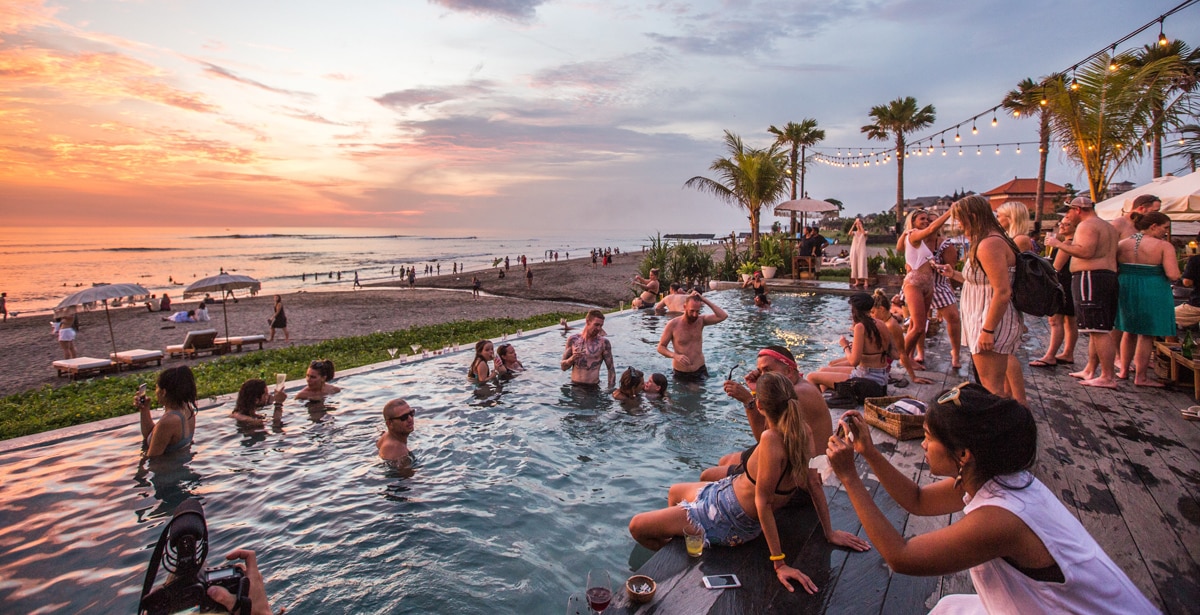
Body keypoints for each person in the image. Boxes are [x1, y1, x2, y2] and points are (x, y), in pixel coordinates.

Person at [826, 383, 1157, 614]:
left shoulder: (1001, 519)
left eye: (927, 437)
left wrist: (849, 478)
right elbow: (918, 500)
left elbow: (902, 558)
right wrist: (868, 452)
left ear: (964, 454)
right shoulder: (998, 475)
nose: (922, 446)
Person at [629, 372, 867, 594]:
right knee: (675, 491)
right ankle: (683, 544)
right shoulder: (802, 430)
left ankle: (687, 548)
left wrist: (780, 563)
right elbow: (814, 484)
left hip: (727, 518)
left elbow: (762, 503)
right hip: (726, 495)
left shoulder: (771, 439)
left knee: (637, 526)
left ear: (761, 405)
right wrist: (829, 532)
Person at [935, 195, 1025, 404]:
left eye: (960, 219)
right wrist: (954, 274)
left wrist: (988, 330)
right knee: (993, 384)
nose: (957, 225)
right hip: (982, 317)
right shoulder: (987, 241)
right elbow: (981, 281)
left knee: (991, 386)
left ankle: (1000, 430)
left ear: (973, 217)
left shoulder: (989, 244)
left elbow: (1002, 291)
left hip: (989, 319)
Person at [1045, 196, 1122, 389]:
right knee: (1095, 328)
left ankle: (1107, 375)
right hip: (1106, 277)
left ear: (1078, 209)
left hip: (1091, 277)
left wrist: (1058, 244)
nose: (1068, 216)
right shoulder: (1108, 227)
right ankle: (1091, 369)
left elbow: (1086, 252)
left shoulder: (1087, 226)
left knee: (1097, 328)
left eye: (1069, 211)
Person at [1115, 212, 1180, 386]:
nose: (1166, 232)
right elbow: (1173, 274)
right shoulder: (1163, 246)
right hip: (1152, 288)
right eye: (1164, 228)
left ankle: (1122, 371)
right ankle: (1141, 376)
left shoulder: (1122, 244)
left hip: (1126, 287)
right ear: (1153, 226)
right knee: (1146, 334)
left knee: (1128, 331)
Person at [897, 208, 953, 367]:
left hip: (928, 284)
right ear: (913, 221)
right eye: (922, 219)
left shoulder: (920, 240)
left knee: (918, 325)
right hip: (915, 283)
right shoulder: (913, 235)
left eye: (927, 219)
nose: (926, 222)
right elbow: (932, 229)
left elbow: (910, 252)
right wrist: (950, 212)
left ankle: (909, 356)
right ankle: (904, 358)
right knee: (919, 326)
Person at [807, 293, 896, 391]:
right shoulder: (880, 323)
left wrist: (845, 346)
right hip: (880, 378)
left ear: (855, 309)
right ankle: (830, 400)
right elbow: (888, 351)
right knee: (822, 371)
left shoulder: (860, 327)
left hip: (868, 381)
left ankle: (820, 405)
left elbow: (854, 361)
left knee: (811, 376)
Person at [1030, 217, 1080, 367]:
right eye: (1061, 223)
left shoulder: (1067, 244)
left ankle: (1050, 355)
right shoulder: (1073, 243)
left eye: (1067, 224)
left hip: (1061, 284)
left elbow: (1056, 267)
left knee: (1055, 320)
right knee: (1069, 321)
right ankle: (1068, 352)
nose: (1062, 226)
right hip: (1070, 283)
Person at [656, 291, 728, 381]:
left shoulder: (701, 320)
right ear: (685, 307)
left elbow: (723, 316)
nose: (695, 315)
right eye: (692, 311)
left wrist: (704, 300)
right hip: (681, 372)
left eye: (697, 311)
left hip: (700, 369)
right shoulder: (673, 324)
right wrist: (674, 355)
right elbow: (660, 347)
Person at [871, 290, 932, 385]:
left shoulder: (891, 326)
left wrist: (913, 377)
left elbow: (902, 353)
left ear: (882, 309)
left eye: (873, 312)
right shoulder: (884, 322)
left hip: (880, 365)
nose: (871, 315)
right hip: (876, 360)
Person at [136, 366, 197, 457]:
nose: (156, 392)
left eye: (156, 388)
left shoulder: (168, 422)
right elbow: (153, 436)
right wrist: (144, 410)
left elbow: (152, 459)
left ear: (163, 392)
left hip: (168, 470)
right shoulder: (188, 410)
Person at [929, 229, 963, 368]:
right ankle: (918, 353)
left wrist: (950, 291)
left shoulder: (945, 246)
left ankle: (955, 352)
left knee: (954, 318)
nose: (928, 224)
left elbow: (951, 271)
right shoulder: (916, 241)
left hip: (939, 284)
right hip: (919, 284)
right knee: (917, 323)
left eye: (931, 221)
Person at [560, 309, 616, 388]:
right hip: (575, 386)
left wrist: (610, 389)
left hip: (593, 388)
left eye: (601, 326)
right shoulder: (573, 340)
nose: (599, 328)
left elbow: (611, 369)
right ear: (588, 322)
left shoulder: (604, 343)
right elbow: (563, 367)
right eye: (596, 325)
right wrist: (572, 358)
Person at [1175, 232, 1200, 332]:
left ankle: (1171, 343)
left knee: (1166, 316)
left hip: (1197, 306)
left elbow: (1187, 282)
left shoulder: (1196, 259)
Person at [849, 217, 869, 288]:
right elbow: (849, 233)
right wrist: (854, 225)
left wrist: (860, 225)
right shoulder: (854, 233)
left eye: (859, 224)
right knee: (854, 264)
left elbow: (864, 234)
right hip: (854, 249)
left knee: (862, 264)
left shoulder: (865, 232)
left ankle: (865, 281)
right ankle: (856, 280)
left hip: (861, 250)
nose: (858, 225)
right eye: (857, 224)